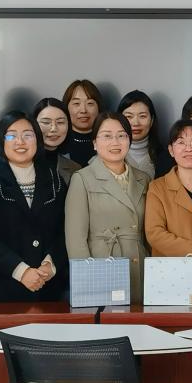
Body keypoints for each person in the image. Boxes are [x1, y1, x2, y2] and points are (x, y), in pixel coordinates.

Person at [0, 110, 68, 302]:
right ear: (1, 141)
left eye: (28, 135)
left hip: (48, 288)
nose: (20, 142)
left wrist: (50, 264)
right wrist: (22, 271)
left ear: (37, 140)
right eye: (11, 136)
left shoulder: (55, 180)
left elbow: (66, 230)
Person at [66, 113, 151, 303]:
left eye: (121, 135)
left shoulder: (143, 178)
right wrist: (87, 278)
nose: (115, 142)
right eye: (107, 136)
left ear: (129, 140)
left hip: (139, 264)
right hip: (102, 265)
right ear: (95, 143)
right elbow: (75, 240)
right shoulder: (82, 178)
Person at [145, 120, 192, 301]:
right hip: (172, 276)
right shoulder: (157, 187)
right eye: (181, 142)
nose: (188, 148)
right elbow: (154, 233)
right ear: (171, 150)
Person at [32, 97, 80, 184]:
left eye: (60, 122)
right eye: (46, 122)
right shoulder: (21, 163)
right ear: (33, 124)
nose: (53, 128)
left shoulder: (75, 168)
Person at [118, 90, 164, 178]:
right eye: (129, 116)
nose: (136, 123)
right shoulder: (109, 155)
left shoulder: (165, 157)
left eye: (142, 116)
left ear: (152, 120)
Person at [60, 79, 104, 168]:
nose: (83, 110)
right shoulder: (58, 143)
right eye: (76, 103)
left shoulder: (108, 142)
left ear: (98, 108)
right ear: (66, 108)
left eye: (90, 103)